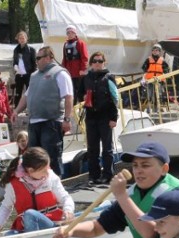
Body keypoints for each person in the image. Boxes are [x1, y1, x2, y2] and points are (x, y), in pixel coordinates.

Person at [10, 46, 74, 177]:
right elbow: (26, 96)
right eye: (35, 58)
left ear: (48, 58)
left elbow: (69, 96)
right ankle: (39, 187)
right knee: (34, 159)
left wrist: (67, 119)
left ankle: (56, 189)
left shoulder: (60, 73)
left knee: (52, 157)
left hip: (51, 122)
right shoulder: (34, 76)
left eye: (38, 58)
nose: (36, 61)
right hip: (34, 123)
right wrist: (16, 110)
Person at [0, 147, 74, 236]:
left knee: (30, 214)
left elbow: (66, 198)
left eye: (48, 167)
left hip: (52, 225)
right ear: (30, 171)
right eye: (44, 170)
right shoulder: (12, 184)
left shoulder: (51, 177)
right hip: (26, 228)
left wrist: (68, 210)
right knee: (8, 235)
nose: (47, 173)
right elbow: (6, 207)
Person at [77, 51, 119, 185]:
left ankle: (107, 174)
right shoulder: (86, 78)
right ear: (90, 63)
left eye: (100, 61)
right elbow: (79, 94)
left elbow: (114, 99)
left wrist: (114, 118)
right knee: (92, 148)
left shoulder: (109, 77)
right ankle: (93, 175)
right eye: (94, 61)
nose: (97, 63)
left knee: (107, 148)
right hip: (91, 117)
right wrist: (83, 98)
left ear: (104, 63)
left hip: (105, 116)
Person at [141, 44, 170, 114]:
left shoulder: (162, 60)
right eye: (153, 50)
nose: (155, 52)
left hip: (159, 80)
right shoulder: (148, 59)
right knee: (149, 95)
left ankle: (156, 110)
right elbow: (144, 67)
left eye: (156, 50)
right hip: (150, 80)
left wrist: (163, 74)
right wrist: (146, 74)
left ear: (159, 52)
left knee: (158, 95)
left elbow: (167, 69)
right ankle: (148, 110)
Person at [61, 24, 88, 98]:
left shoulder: (80, 43)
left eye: (71, 32)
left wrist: (83, 69)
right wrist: (63, 69)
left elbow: (84, 57)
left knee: (79, 91)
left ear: (75, 33)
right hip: (69, 72)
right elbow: (65, 58)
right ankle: (73, 107)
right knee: (71, 91)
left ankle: (81, 107)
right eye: (68, 33)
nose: (70, 34)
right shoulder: (65, 44)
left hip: (78, 72)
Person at [12, 31, 37, 108]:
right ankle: (16, 108)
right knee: (18, 92)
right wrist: (15, 66)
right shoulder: (16, 49)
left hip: (28, 74)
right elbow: (15, 61)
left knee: (30, 92)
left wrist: (33, 74)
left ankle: (30, 108)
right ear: (18, 39)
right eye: (20, 38)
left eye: (23, 38)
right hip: (19, 74)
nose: (21, 40)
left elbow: (34, 63)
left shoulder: (31, 50)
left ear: (26, 39)